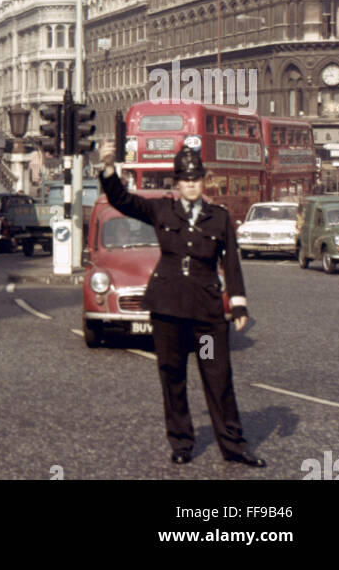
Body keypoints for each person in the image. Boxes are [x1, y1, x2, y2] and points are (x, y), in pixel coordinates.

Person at [98, 138, 266, 468]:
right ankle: (181, 442)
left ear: (204, 181)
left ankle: (233, 445)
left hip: (206, 315)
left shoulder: (218, 217)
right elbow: (122, 200)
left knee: (217, 376)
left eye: (196, 179)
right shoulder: (161, 209)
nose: (191, 184)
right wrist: (107, 167)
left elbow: (231, 262)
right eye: (185, 179)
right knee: (172, 375)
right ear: (177, 183)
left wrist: (239, 304)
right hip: (169, 311)